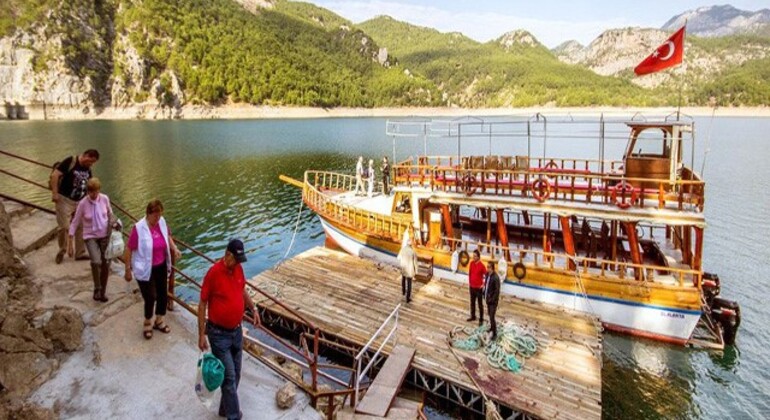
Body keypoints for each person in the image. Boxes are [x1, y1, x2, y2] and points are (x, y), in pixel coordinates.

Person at [198, 239, 259, 420]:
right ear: (227, 255)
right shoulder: (214, 273)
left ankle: (225, 409)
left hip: (236, 331)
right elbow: (202, 304)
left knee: (236, 373)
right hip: (218, 334)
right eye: (236, 259)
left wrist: (253, 308)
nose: (239, 263)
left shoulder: (238, 268)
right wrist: (201, 334)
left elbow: (242, 290)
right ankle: (234, 416)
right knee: (229, 378)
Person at [123, 199, 181, 339]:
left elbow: (167, 236)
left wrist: (174, 248)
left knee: (162, 294)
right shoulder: (139, 228)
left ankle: (159, 320)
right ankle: (147, 321)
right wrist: (127, 269)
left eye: (160, 215)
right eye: (155, 215)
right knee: (150, 297)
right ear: (148, 214)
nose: (158, 218)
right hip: (144, 267)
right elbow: (129, 248)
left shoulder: (161, 222)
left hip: (160, 265)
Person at [68, 178, 114, 302]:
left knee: (106, 264)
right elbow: (75, 221)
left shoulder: (104, 199)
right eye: (91, 192)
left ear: (99, 190)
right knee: (96, 261)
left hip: (104, 234)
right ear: (88, 191)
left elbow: (110, 213)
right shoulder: (83, 203)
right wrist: (70, 241)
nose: (93, 195)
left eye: (96, 192)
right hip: (90, 236)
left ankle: (102, 292)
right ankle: (97, 288)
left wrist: (114, 223)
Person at [50, 149, 100, 264]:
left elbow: (90, 184)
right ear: (86, 156)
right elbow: (55, 175)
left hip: (80, 201)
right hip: (64, 199)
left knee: (81, 226)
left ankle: (80, 252)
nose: (91, 164)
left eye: (93, 163)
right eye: (90, 161)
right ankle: (62, 250)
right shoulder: (70, 161)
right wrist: (54, 193)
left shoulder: (88, 169)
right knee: (64, 227)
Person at [467, 249, 486, 325]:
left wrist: (483, 284)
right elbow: (470, 273)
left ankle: (481, 319)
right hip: (472, 286)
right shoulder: (471, 263)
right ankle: (473, 316)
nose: (473, 257)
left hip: (478, 288)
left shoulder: (482, 266)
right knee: (472, 302)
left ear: (478, 257)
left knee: (480, 304)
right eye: (473, 256)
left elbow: (487, 276)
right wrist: (470, 283)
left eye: (475, 256)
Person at [397, 238, 418, 303]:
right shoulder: (413, 252)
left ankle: (403, 291)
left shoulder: (402, 250)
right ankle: (407, 298)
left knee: (403, 279)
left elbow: (398, 258)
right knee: (409, 283)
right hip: (410, 269)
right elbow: (415, 263)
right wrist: (416, 271)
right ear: (411, 245)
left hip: (404, 267)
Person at [485, 260, 501, 340]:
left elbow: (497, 291)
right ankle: (491, 328)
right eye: (487, 267)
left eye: (488, 267)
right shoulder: (487, 275)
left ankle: (494, 333)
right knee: (489, 315)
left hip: (493, 301)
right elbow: (486, 284)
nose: (487, 269)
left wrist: (492, 299)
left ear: (492, 268)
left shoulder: (496, 278)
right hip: (488, 299)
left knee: (492, 316)